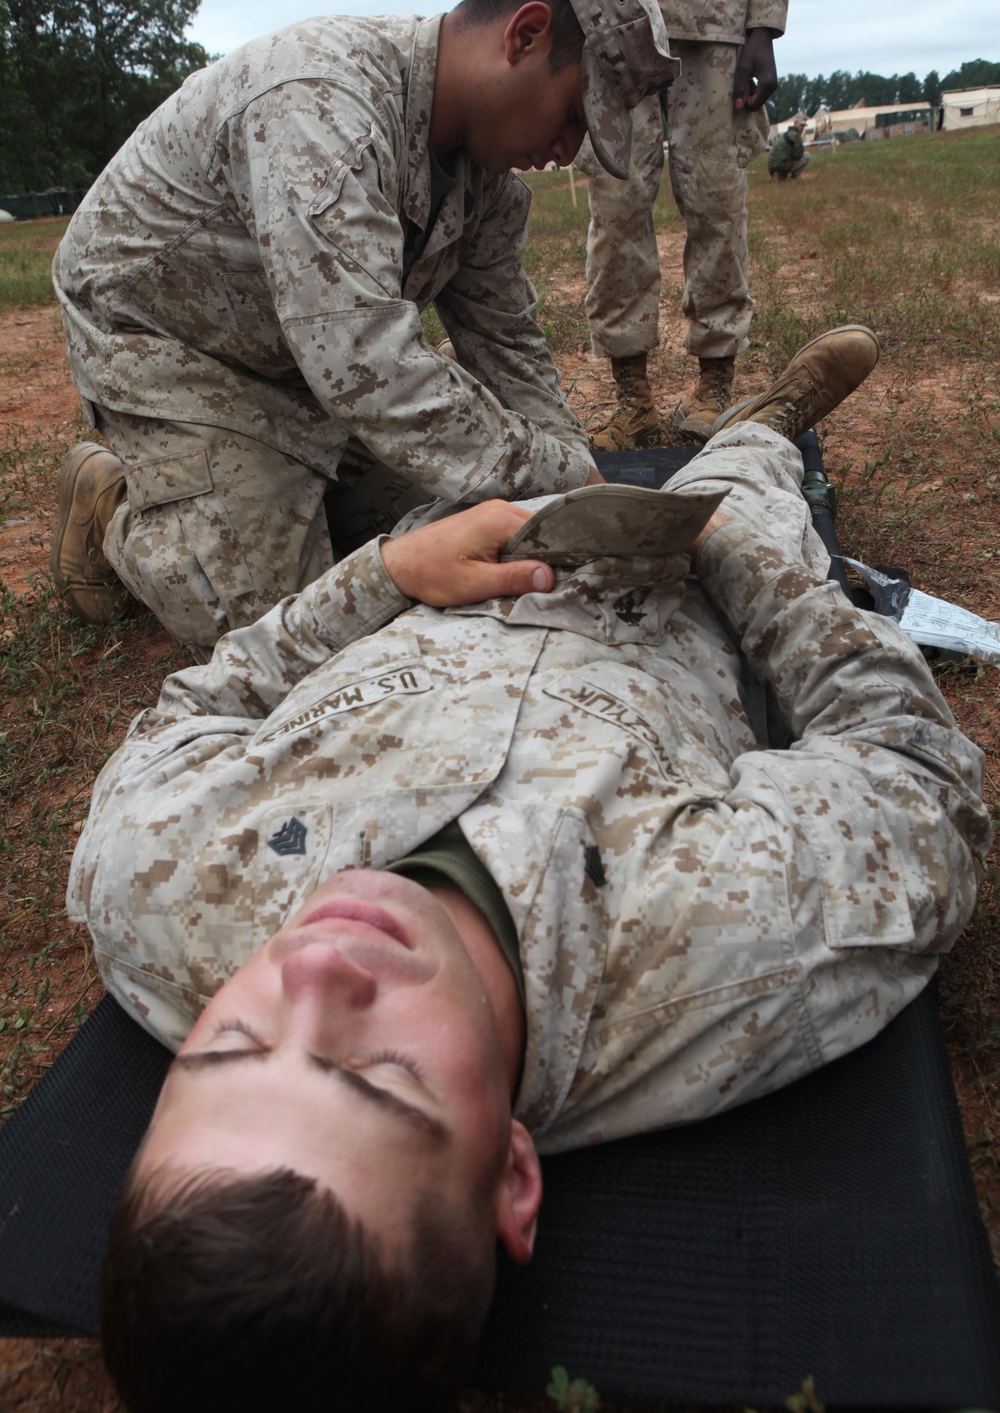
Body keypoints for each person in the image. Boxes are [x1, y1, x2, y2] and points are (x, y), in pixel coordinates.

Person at [66, 326, 989, 1413]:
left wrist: (382, 574)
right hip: (670, 584)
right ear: (510, 1172)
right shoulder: (714, 947)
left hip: (433, 563)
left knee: (443, 440)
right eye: (377, 1077)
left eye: (227, 1047)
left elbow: (198, 705)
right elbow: (914, 767)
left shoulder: (149, 887)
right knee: (743, 477)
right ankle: (763, 432)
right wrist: (733, 555)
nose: (314, 977)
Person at [48, 0, 679, 657]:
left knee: (472, 531)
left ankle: (284, 484)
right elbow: (370, 373)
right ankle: (115, 505)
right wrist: (562, 476)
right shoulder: (322, 108)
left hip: (303, 356)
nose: (568, 149)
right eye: (575, 115)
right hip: (171, 343)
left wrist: (576, 499)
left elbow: (507, 347)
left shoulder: (493, 188)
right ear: (525, 34)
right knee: (281, 629)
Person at [560, 0, 800, 449]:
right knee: (616, 204)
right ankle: (633, 400)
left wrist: (764, 24)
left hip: (714, 6)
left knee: (715, 200)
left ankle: (715, 386)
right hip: (606, 7)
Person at [769, 111, 810, 180]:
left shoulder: (784, 134)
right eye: (801, 125)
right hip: (783, 164)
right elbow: (798, 155)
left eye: (803, 126)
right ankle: (794, 176)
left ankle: (779, 174)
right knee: (806, 155)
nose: (802, 128)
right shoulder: (796, 136)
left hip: (771, 165)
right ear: (795, 123)